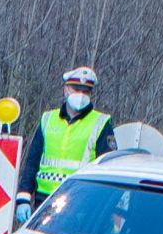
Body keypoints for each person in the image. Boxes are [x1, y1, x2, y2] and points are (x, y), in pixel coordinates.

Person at [18, 63, 118, 206]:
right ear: (66, 89)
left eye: (86, 91)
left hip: (81, 201)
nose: (81, 95)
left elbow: (108, 167)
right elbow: (32, 161)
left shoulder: (101, 123)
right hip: (44, 199)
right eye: (76, 89)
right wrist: (24, 195)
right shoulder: (48, 119)